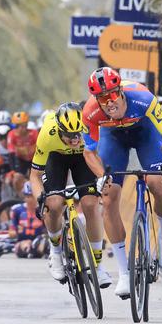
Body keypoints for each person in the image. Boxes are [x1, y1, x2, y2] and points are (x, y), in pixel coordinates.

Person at [82, 67, 162, 299]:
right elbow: (89, 152)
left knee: (157, 184)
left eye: (113, 95)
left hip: (144, 133)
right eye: (102, 98)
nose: (109, 103)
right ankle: (125, 272)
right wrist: (101, 176)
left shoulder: (143, 98)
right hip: (113, 139)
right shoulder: (90, 112)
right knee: (108, 197)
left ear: (121, 92)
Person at [31, 102, 109, 287]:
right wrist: (40, 199)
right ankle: (55, 252)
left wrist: (103, 178)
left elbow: (99, 157)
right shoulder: (47, 133)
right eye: (69, 135)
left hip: (83, 157)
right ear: (59, 130)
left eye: (77, 134)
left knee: (91, 205)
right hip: (56, 158)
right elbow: (34, 175)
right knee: (54, 204)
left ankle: (97, 265)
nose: (74, 139)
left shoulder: (88, 128)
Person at [8, 182, 46, 259]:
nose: (29, 199)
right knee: (24, 245)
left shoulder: (44, 210)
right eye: (27, 196)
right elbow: (11, 233)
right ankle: (29, 250)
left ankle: (37, 250)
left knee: (44, 244)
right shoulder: (16, 210)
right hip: (22, 242)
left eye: (31, 196)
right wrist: (16, 232)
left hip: (39, 240)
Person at [7, 111, 37, 195]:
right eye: (18, 126)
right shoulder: (11, 135)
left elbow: (39, 149)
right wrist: (14, 170)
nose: (21, 129)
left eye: (24, 126)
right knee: (17, 178)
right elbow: (11, 154)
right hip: (20, 160)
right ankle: (20, 198)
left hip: (33, 159)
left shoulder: (33, 133)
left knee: (37, 177)